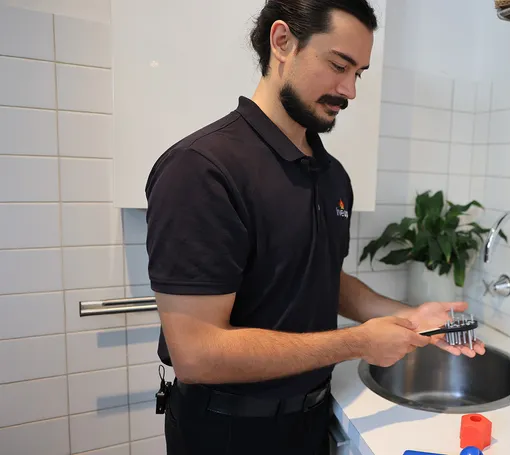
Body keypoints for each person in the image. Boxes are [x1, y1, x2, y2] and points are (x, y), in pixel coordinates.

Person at [143, 1, 486, 454]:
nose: (350, 90)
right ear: (282, 42)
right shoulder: (202, 170)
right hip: (226, 432)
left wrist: (408, 317)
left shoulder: (331, 175)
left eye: (359, 73)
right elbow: (197, 355)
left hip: (309, 422)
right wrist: (357, 342)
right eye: (339, 65)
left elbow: (320, 278)